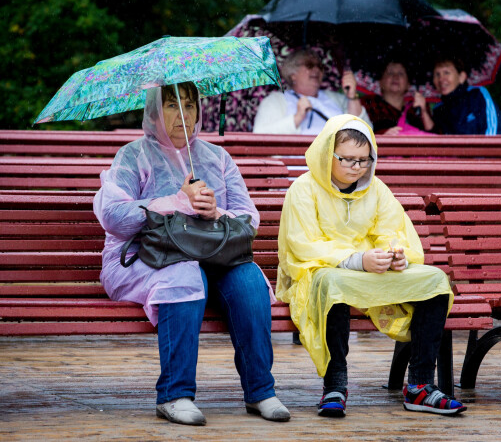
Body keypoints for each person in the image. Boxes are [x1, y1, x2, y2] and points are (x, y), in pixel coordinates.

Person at [93, 82, 290, 426]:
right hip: (143, 258)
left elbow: (249, 218)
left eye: (189, 105)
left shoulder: (217, 158)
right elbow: (114, 218)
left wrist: (216, 213)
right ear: (153, 111)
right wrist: (176, 201)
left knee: (249, 280)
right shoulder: (133, 155)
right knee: (184, 275)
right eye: (171, 106)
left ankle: (261, 391)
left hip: (211, 255)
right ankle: (174, 394)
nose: (182, 115)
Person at [276, 114, 466, 418]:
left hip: (368, 271)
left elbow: (392, 230)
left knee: (435, 281)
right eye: (348, 159)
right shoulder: (304, 188)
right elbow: (302, 244)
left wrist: (395, 254)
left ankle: (419, 386)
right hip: (319, 271)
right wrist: (355, 260)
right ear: (328, 153)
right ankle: (335, 385)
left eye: (364, 160)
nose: (357, 167)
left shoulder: (375, 189)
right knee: (331, 285)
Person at [252, 49, 371, 134]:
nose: (316, 69)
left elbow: (363, 131)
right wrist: (297, 117)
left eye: (320, 66)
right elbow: (260, 135)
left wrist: (352, 96)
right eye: (309, 65)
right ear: (292, 74)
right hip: (296, 165)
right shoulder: (275, 101)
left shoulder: (337, 99)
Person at [430, 57, 501, 135]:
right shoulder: (438, 110)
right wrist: (423, 112)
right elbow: (435, 139)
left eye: (446, 73)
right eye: (437, 74)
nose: (441, 79)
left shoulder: (477, 94)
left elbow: (495, 129)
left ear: (461, 77)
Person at [360, 59, 434, 135]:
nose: (395, 77)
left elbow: (434, 135)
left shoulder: (417, 107)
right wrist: (381, 136)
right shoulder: (368, 103)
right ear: (380, 82)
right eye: (390, 73)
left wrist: (424, 111)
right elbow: (358, 132)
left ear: (408, 85)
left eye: (401, 73)